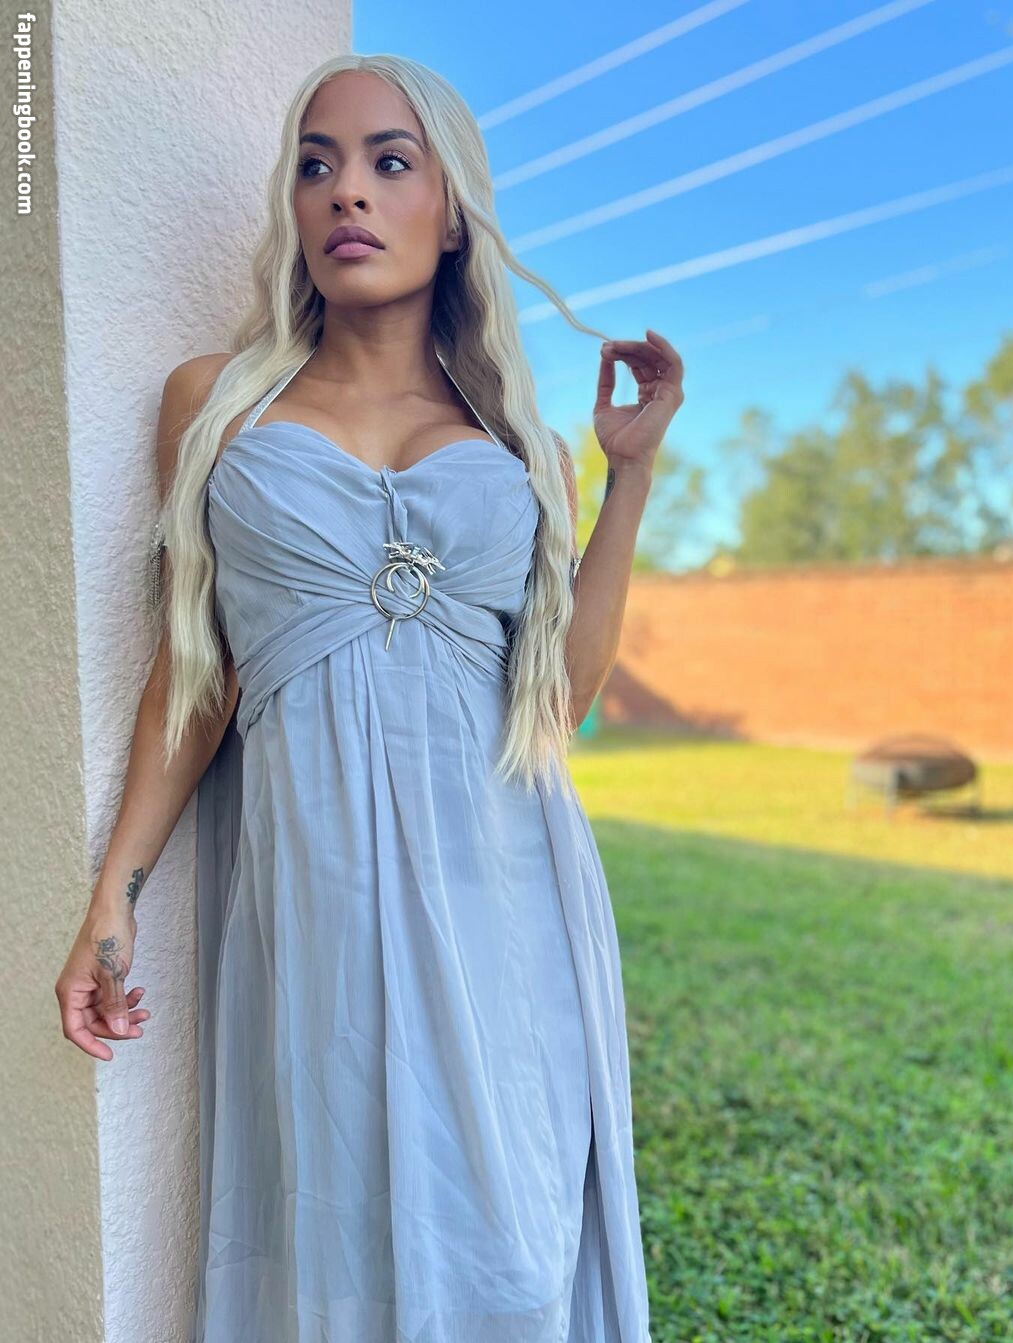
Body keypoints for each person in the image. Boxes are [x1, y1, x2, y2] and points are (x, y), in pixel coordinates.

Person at [55, 51, 683, 1343]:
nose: (348, 191)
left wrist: (627, 477)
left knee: (512, 1246)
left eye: (390, 163)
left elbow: (558, 700)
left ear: (452, 215)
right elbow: (197, 675)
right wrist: (115, 895)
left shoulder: (520, 448)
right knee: (342, 1234)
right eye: (317, 164)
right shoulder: (217, 405)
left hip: (510, 886)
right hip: (320, 884)